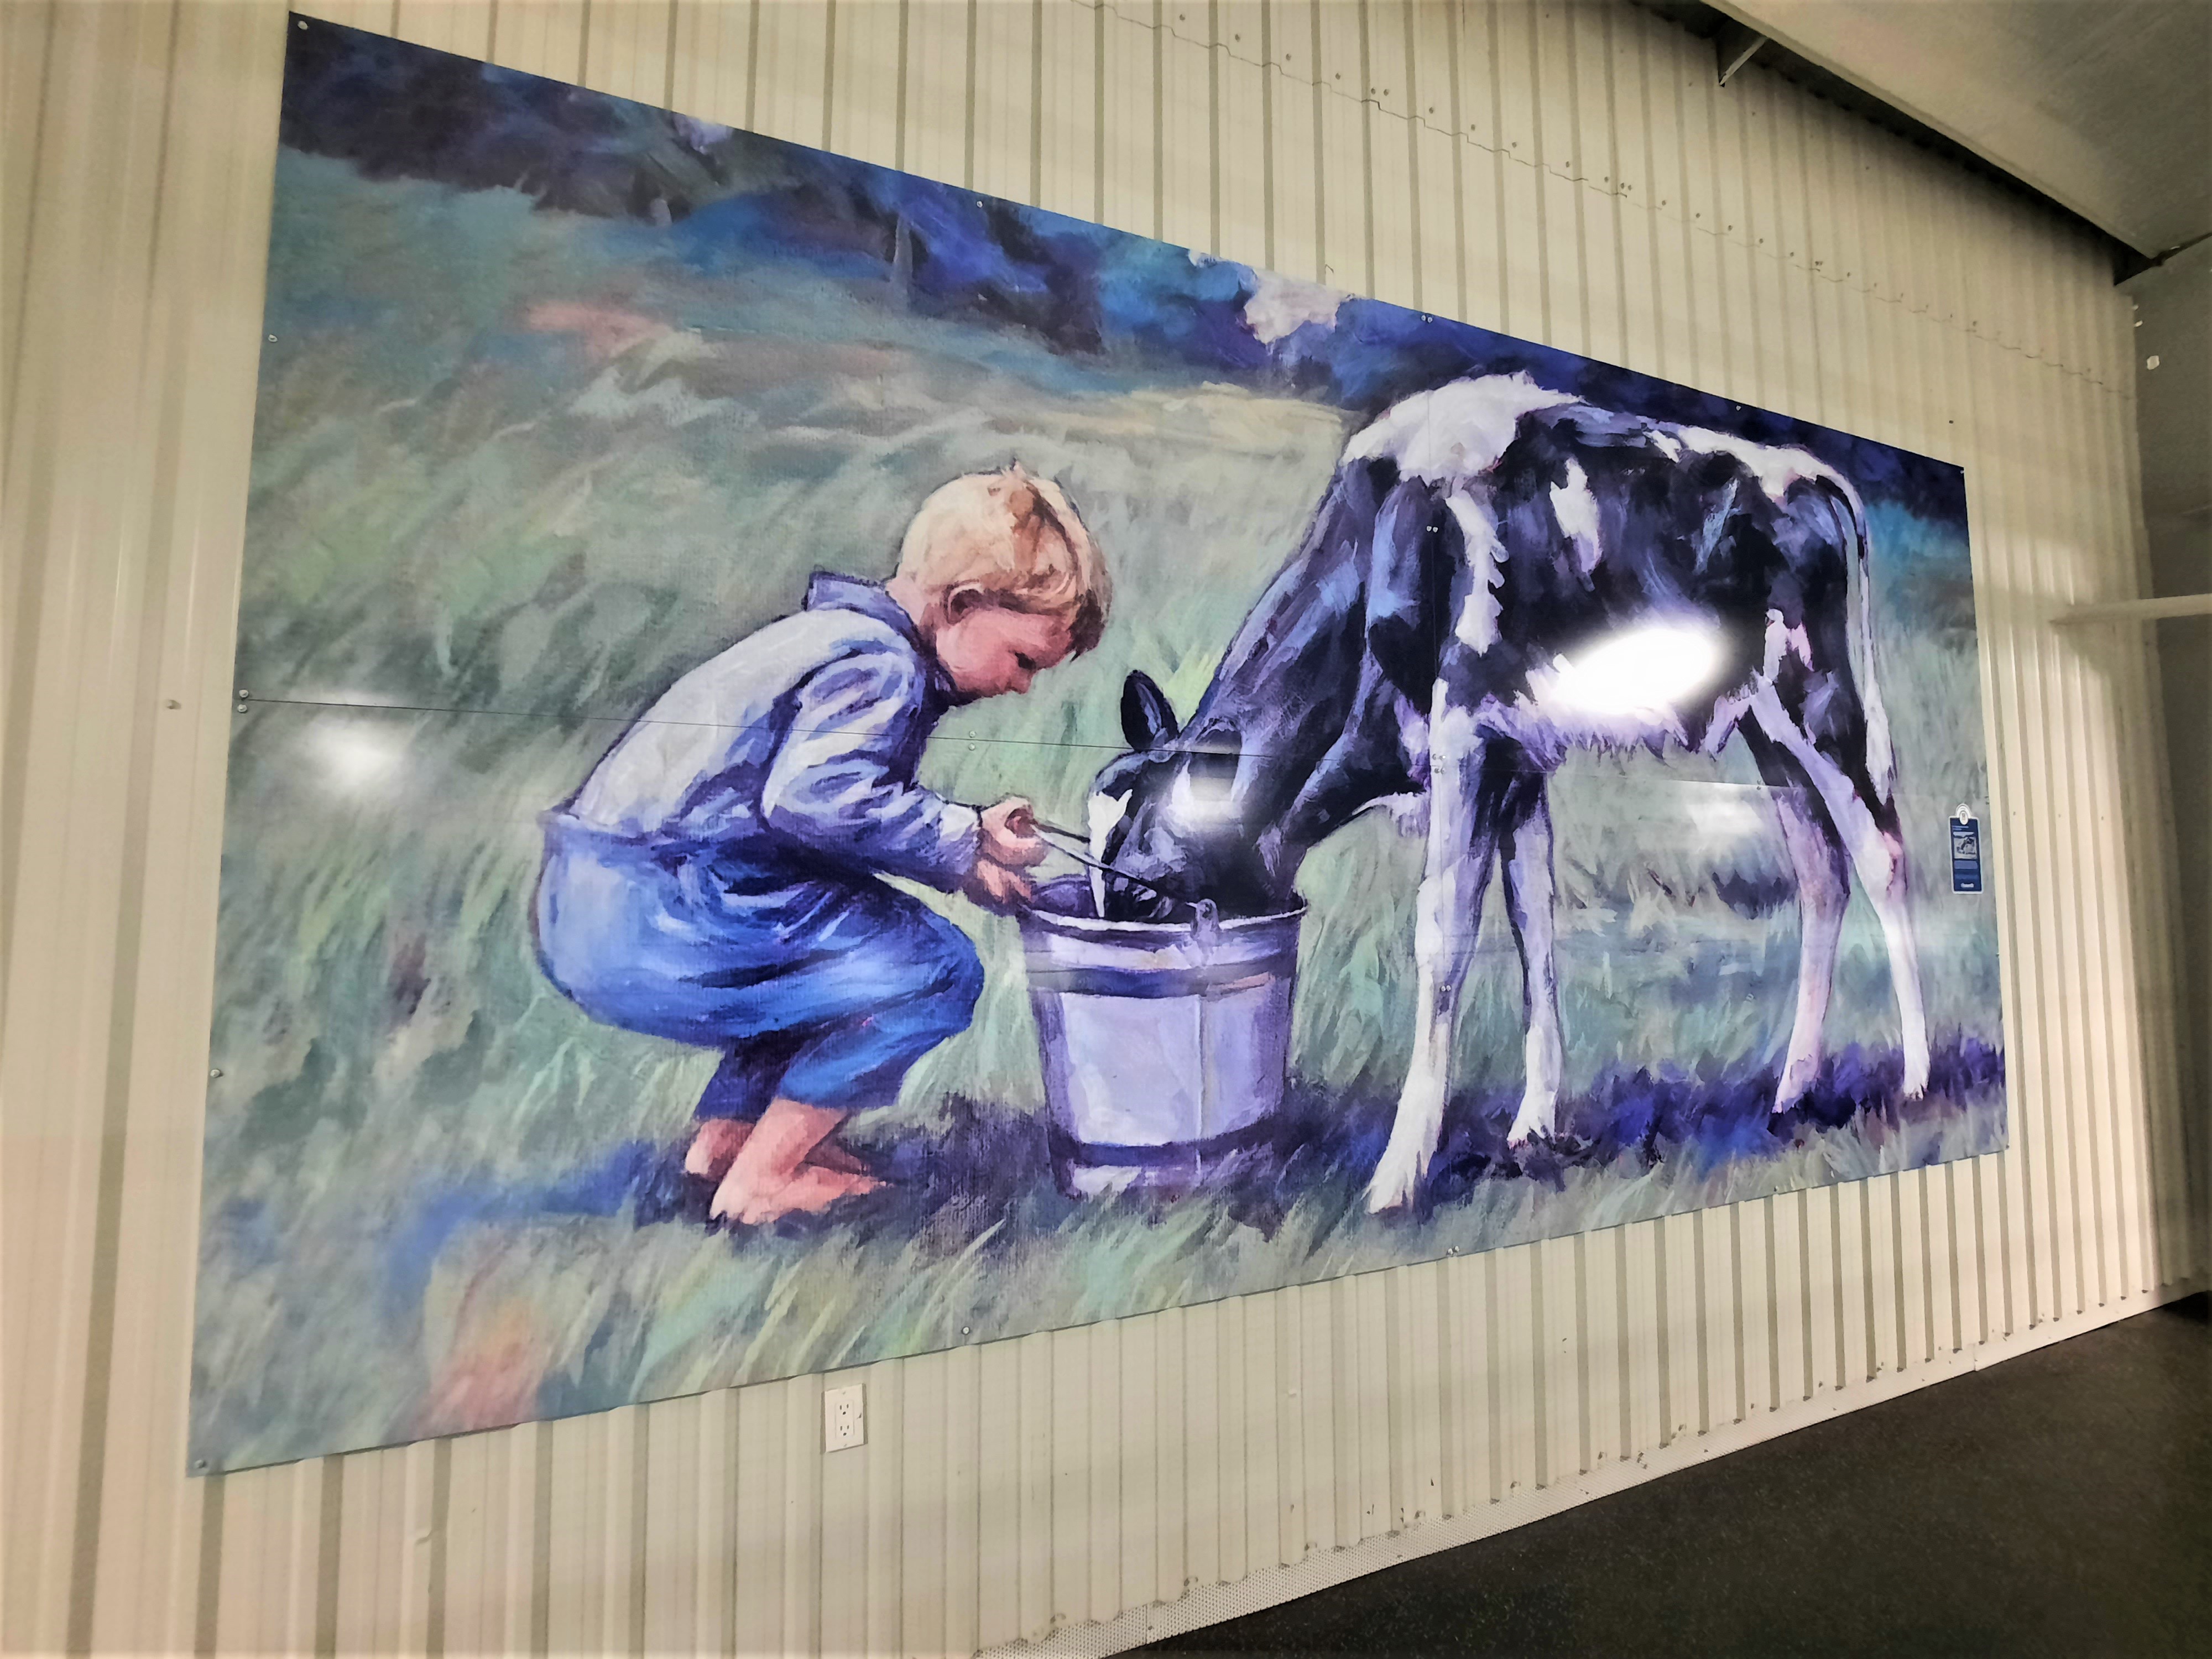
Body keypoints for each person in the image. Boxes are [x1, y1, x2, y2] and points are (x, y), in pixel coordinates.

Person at [535, 466, 1109, 1225]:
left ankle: (730, 1142)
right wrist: (960, 834)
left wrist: (965, 863)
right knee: (932, 971)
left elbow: (806, 816)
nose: (1024, 687)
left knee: (833, 956)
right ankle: (767, 1178)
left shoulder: (833, 639)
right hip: (661, 905)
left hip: (601, 897)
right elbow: (815, 799)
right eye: (1025, 660)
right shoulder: (880, 665)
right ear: (963, 606)